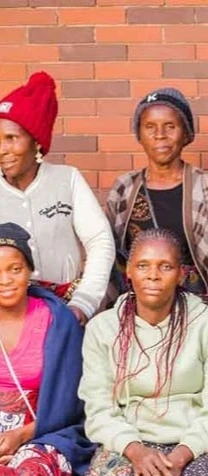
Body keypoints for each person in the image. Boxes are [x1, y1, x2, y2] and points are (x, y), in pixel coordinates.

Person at [66, 228, 208, 476]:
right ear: (128, 272)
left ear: (181, 274)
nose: (153, 275)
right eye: (143, 265)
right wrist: (136, 451)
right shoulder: (103, 329)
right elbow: (98, 409)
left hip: (197, 447)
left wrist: (179, 458)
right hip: (128, 443)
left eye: (165, 266)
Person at [0, 71, 115, 325]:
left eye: (11, 138)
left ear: (36, 142)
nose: (2, 150)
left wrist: (83, 303)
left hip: (66, 316)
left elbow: (100, 241)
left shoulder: (67, 179)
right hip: (7, 323)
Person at [0, 222, 92, 476]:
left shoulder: (57, 321)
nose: (6, 280)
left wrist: (22, 435)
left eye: (15, 268)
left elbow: (72, 407)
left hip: (47, 433)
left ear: (30, 271)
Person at [106, 87, 208, 310]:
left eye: (170, 127)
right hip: (138, 311)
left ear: (186, 134)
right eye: (150, 127)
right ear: (139, 135)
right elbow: (110, 257)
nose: (160, 135)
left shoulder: (206, 188)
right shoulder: (124, 188)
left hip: (196, 310)